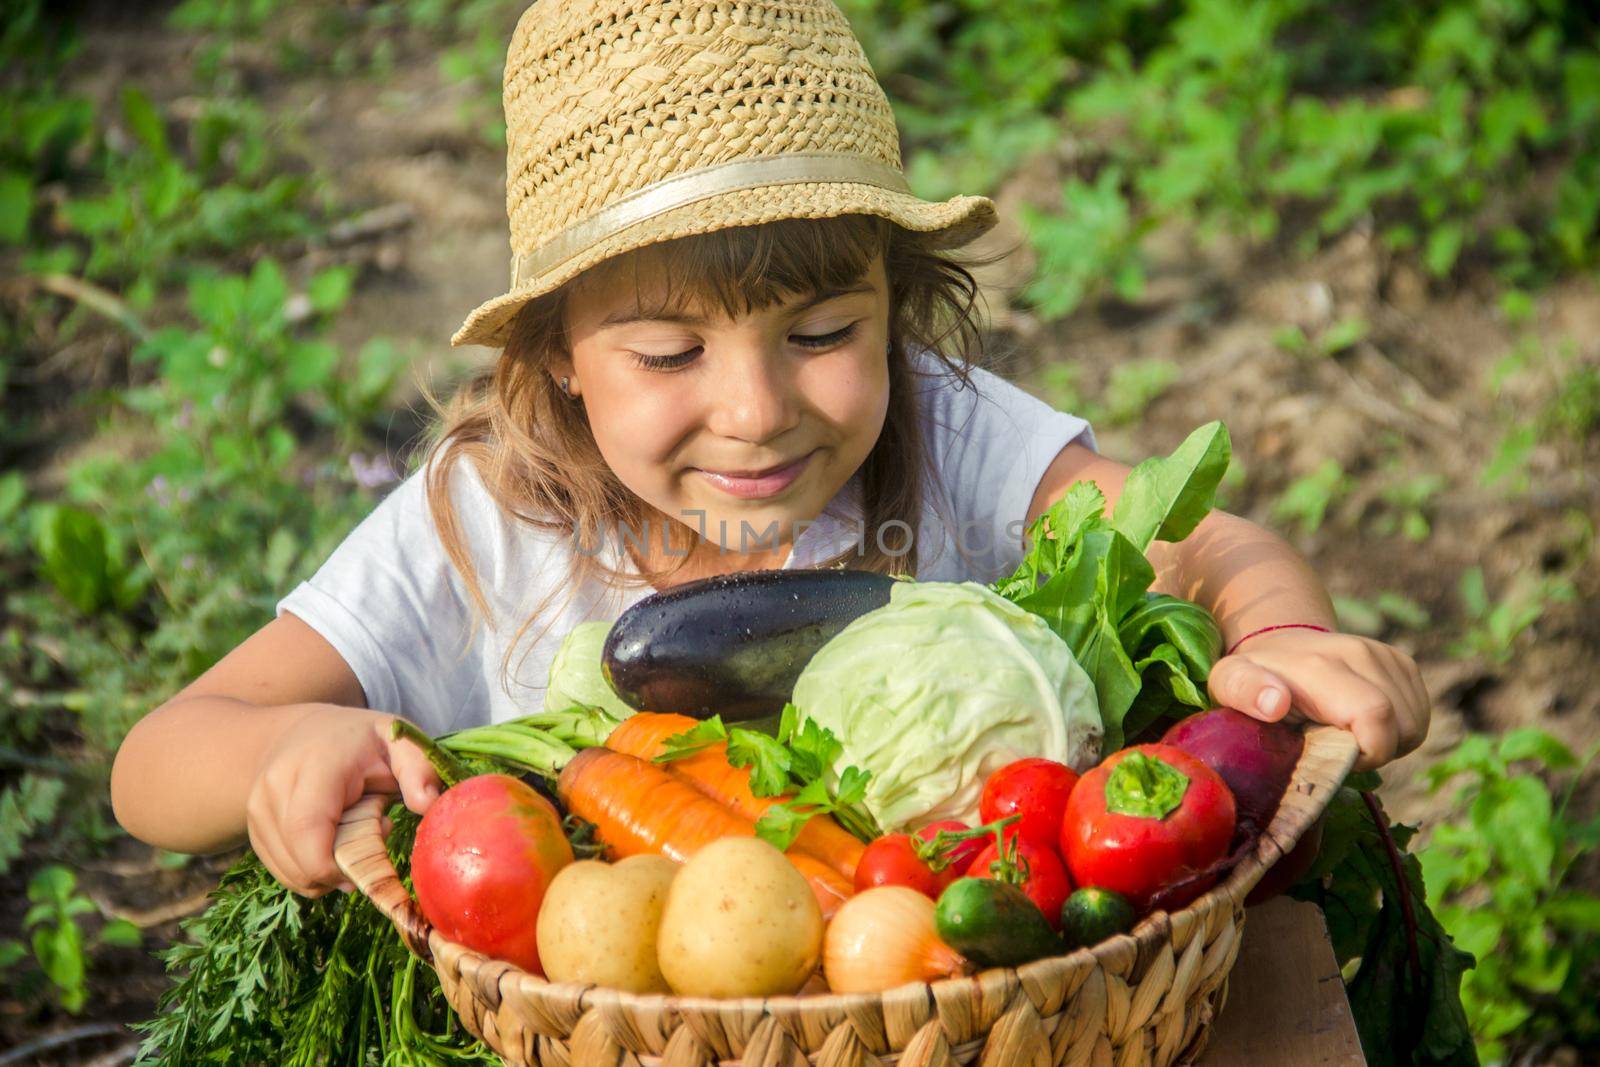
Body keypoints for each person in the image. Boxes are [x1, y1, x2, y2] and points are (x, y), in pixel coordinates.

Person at [110, 0, 1429, 899]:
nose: (754, 410)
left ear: (895, 300)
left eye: (822, 331)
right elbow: (158, 759)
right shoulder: (486, 517)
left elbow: (1205, 540)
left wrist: (1271, 638)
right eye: (670, 356)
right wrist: (307, 748)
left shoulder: (949, 426)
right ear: (558, 353)